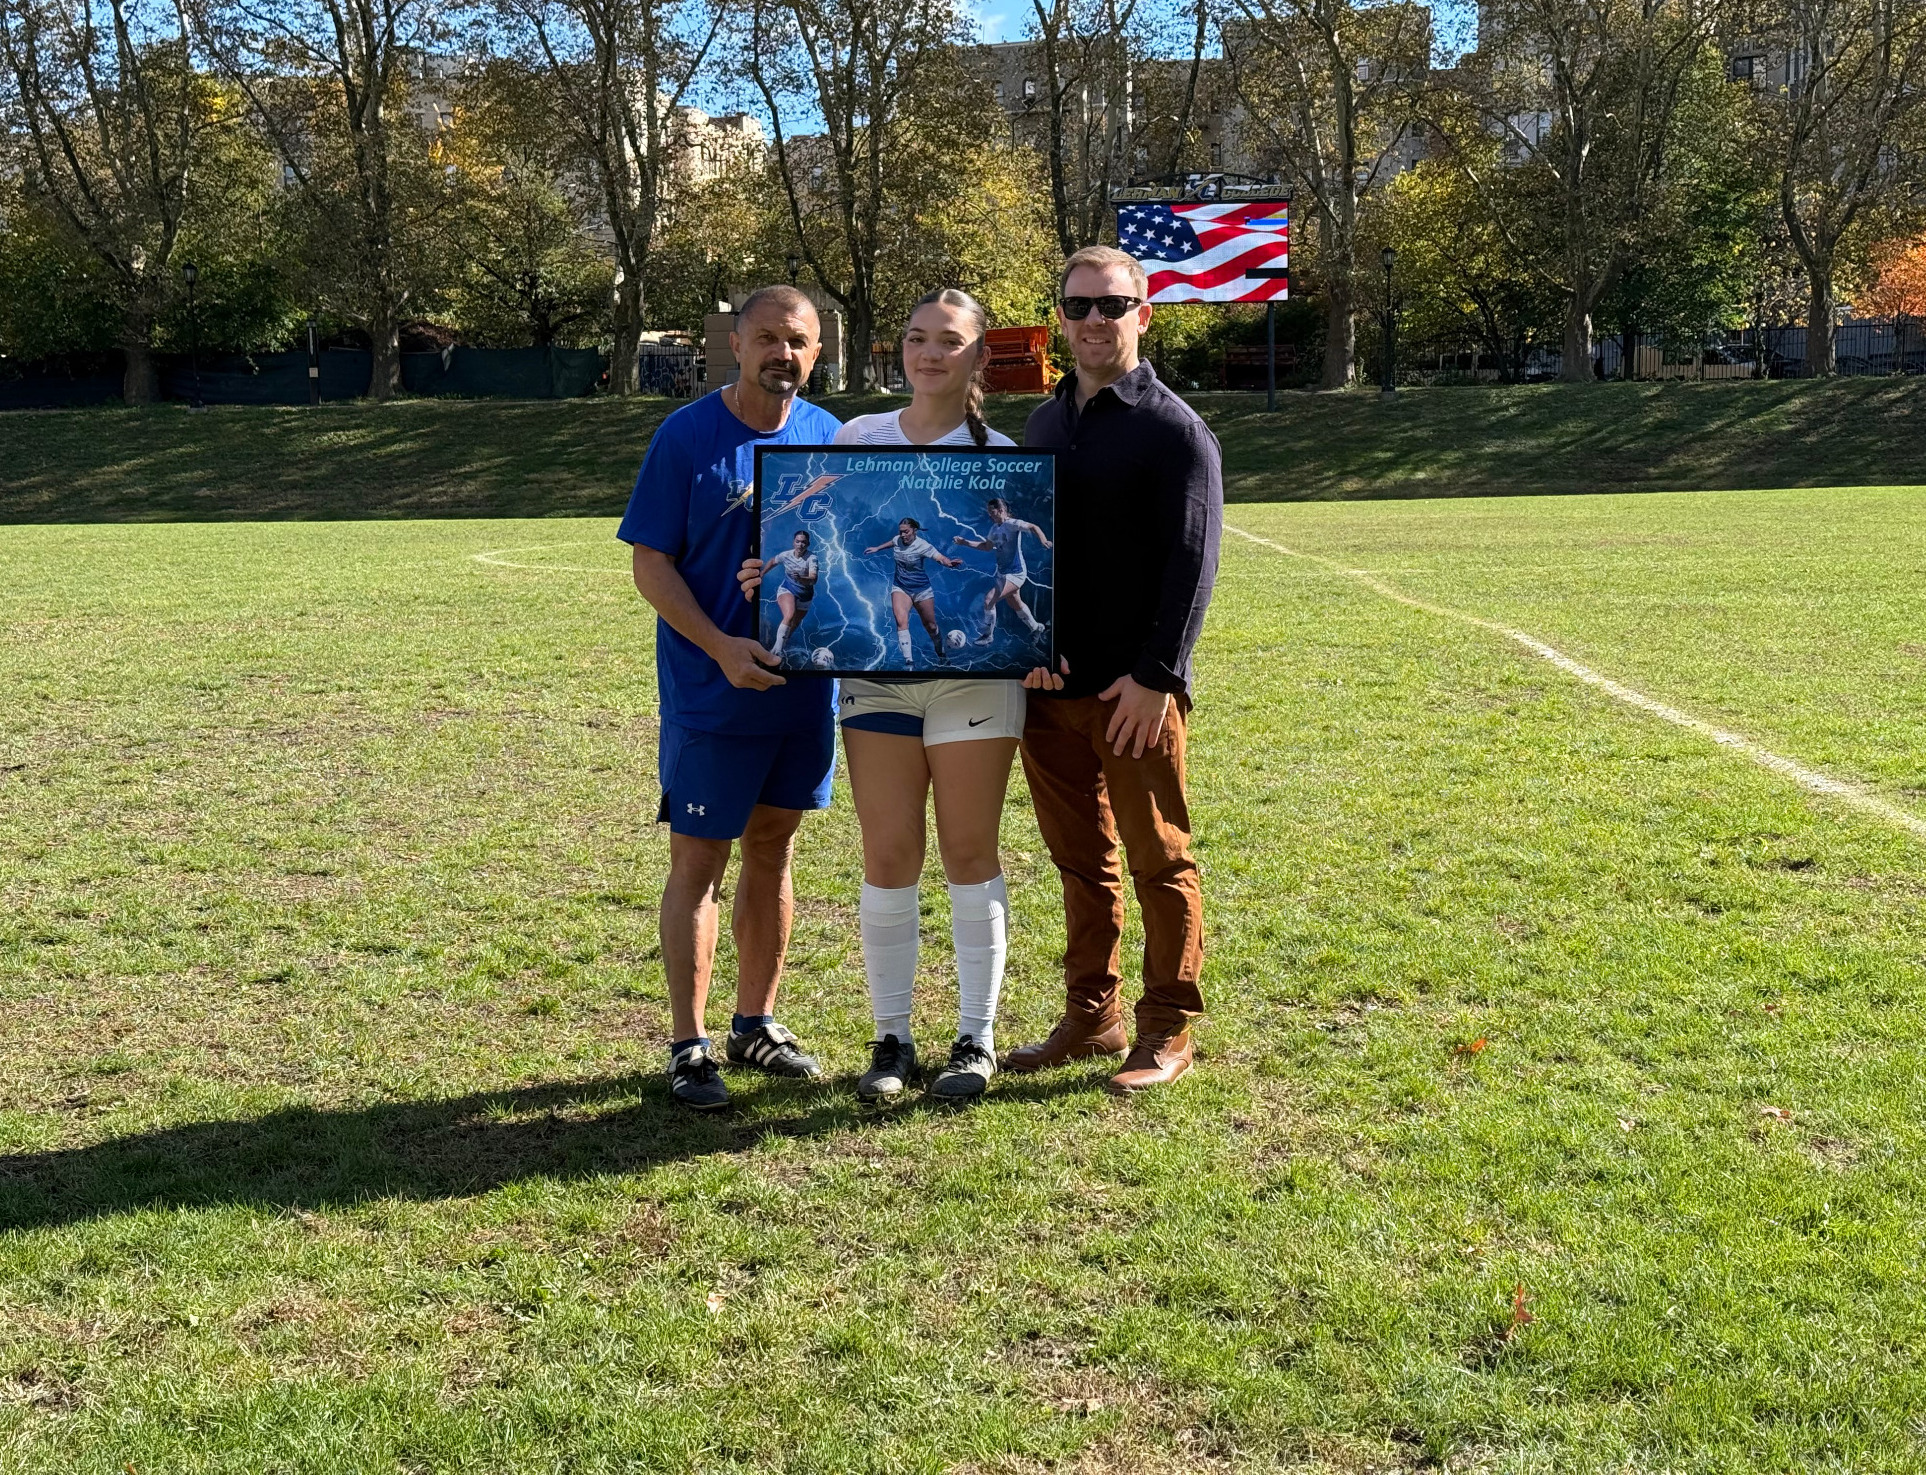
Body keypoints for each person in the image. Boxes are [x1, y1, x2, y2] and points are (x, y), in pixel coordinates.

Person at [743, 287, 1025, 1104]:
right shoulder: (857, 436)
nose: (929, 354)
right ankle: (891, 1037)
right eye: (915, 338)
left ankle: (976, 1037)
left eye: (948, 340)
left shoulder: (1002, 456)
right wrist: (764, 571)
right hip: (875, 684)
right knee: (889, 853)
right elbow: (812, 524)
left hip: (976, 685)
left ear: (978, 356)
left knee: (970, 852)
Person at [618, 284, 843, 1110]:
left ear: (818, 352)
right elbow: (650, 564)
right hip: (713, 691)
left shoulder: (832, 439)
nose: (784, 354)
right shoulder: (687, 437)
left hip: (803, 693)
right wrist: (719, 647)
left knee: (776, 848)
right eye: (770, 339)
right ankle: (689, 1044)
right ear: (738, 344)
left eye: (801, 341)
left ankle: (757, 1021)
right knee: (700, 860)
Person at [1005, 244, 1223, 1096]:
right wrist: (1027, 650)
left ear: (1144, 312)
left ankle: (1167, 1027)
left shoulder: (1173, 429)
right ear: (1059, 316)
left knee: (1158, 859)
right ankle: (1092, 1015)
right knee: (1079, 862)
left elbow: (1192, 562)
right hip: (1051, 692)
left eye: (1112, 304)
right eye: (1079, 305)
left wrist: (1156, 676)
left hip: (1133, 694)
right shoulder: (1046, 421)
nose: (1095, 319)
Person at [863, 517, 962, 667]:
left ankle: (941, 653)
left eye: (906, 532)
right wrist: (877, 548)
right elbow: (892, 542)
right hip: (901, 587)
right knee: (901, 621)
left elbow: (940, 557)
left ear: (914, 530)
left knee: (931, 626)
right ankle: (909, 662)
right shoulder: (898, 539)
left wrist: (949, 563)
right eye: (901, 532)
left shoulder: (922, 545)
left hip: (921, 590)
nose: (903, 535)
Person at [955, 497, 1051, 645]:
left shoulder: (1012, 524)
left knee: (989, 599)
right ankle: (1036, 627)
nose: (990, 516)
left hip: (1016, 573)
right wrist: (965, 542)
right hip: (1003, 573)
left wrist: (1043, 539)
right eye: (989, 513)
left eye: (992, 512)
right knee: (1015, 602)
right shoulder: (994, 529)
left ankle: (988, 635)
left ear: (1001, 510)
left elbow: (1033, 527)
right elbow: (986, 547)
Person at [759, 529, 818, 659]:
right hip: (787, 589)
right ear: (793, 542)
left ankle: (780, 646)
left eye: (803, 542)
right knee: (789, 615)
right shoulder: (786, 555)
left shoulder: (812, 558)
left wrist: (801, 579)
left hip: (805, 596)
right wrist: (762, 574)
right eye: (797, 541)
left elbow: (814, 579)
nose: (800, 545)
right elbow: (773, 561)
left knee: (794, 624)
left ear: (808, 544)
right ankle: (776, 651)